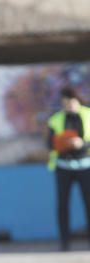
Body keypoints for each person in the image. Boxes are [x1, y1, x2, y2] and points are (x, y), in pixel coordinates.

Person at [47, 86, 90, 251]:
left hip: (86, 166)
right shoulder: (56, 119)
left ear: (77, 101)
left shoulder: (88, 115)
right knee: (62, 205)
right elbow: (49, 143)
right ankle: (64, 242)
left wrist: (82, 144)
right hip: (63, 167)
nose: (68, 106)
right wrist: (62, 143)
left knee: (88, 204)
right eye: (64, 103)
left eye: (71, 102)